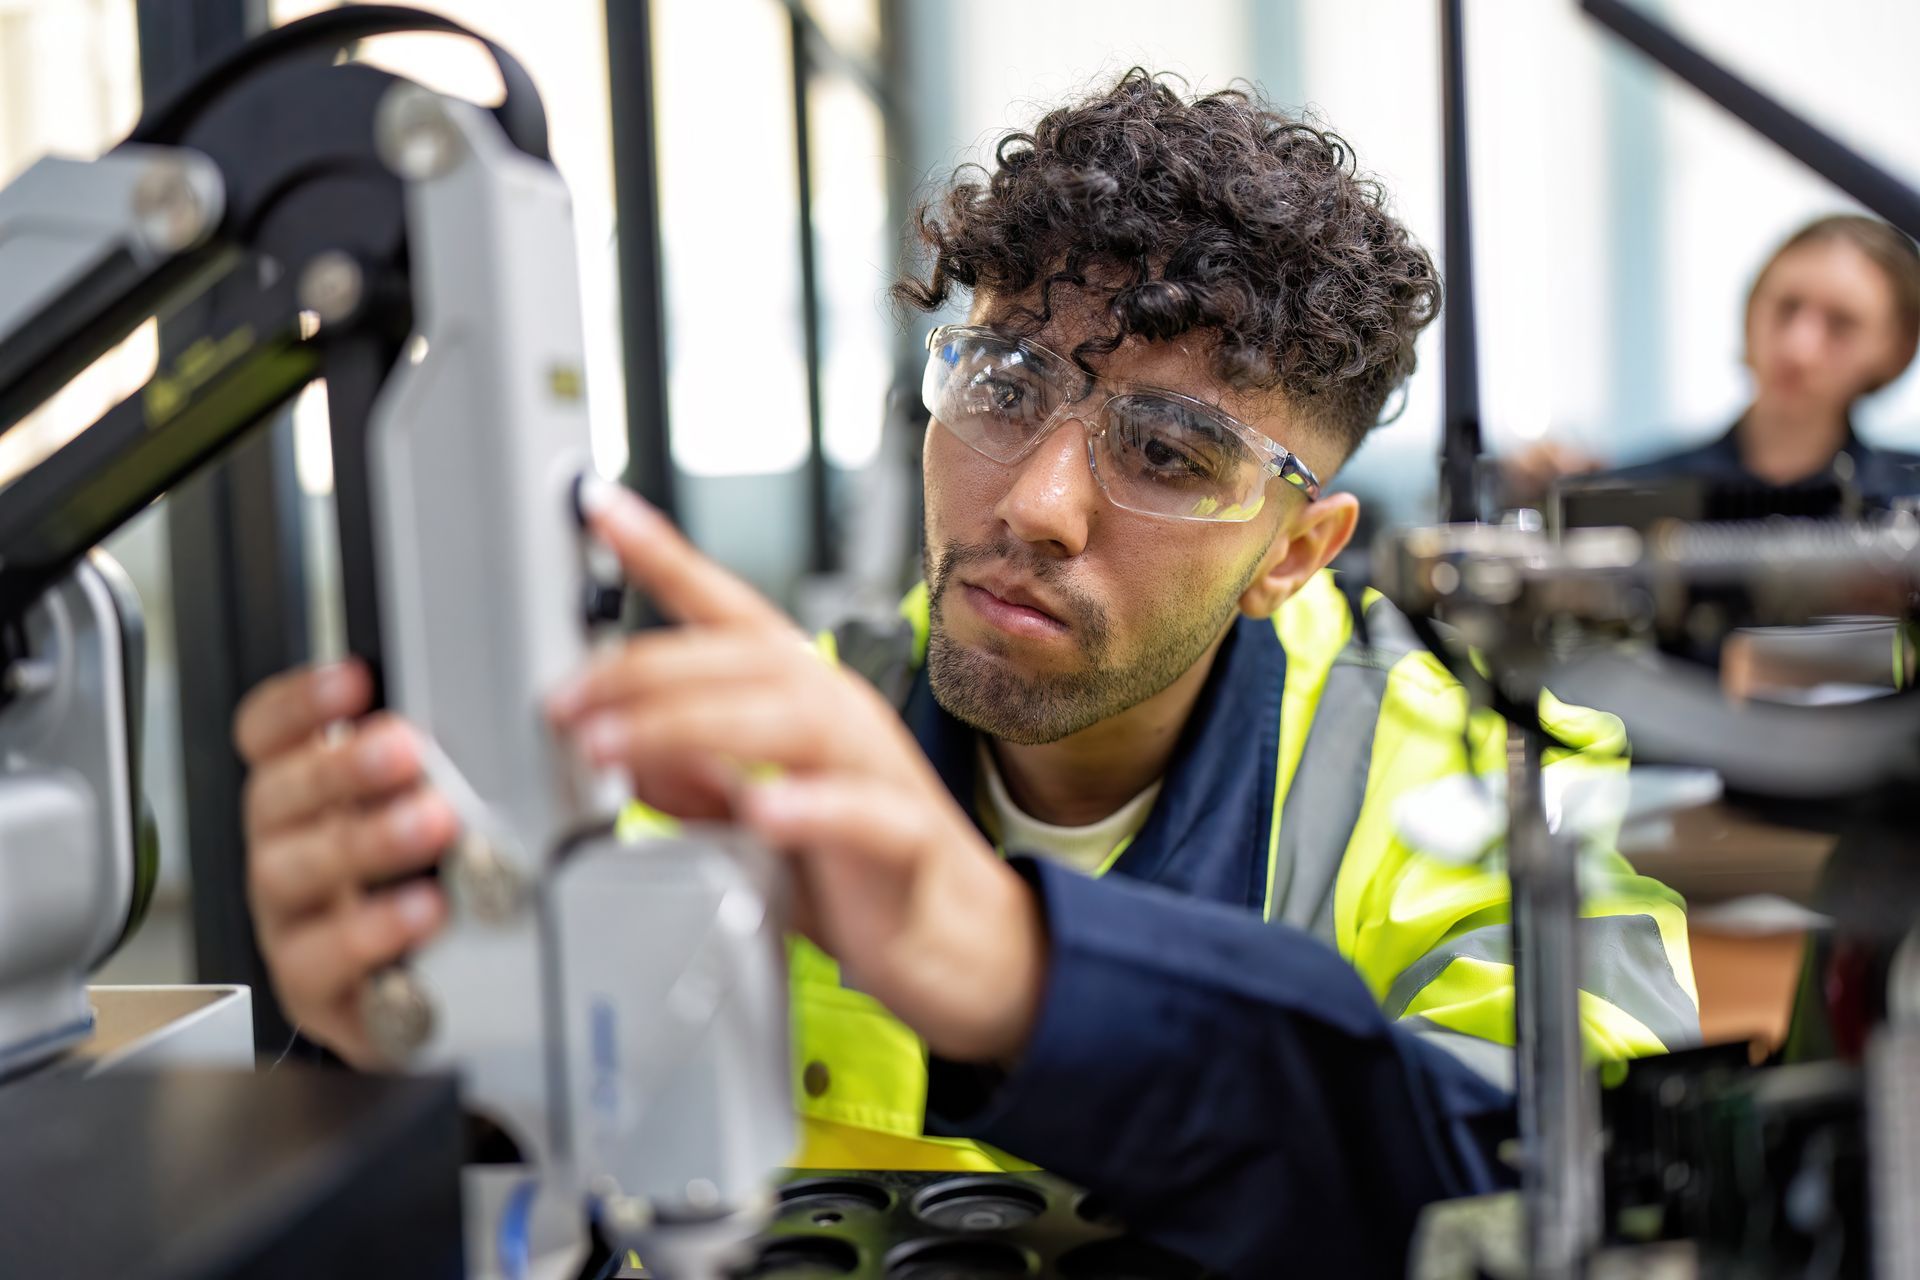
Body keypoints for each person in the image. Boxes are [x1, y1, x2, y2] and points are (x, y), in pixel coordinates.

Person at [231, 73, 1695, 1277]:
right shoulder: (735, 755)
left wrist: (1023, 969)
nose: (1037, 505)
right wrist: (386, 1071)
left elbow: (1599, 1200)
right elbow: (536, 1169)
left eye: (1170, 455)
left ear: (1295, 551)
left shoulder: (1495, 783)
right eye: (1002, 388)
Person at [1503, 214, 1920, 507]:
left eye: (1841, 324)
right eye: (1786, 308)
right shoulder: (1632, 497)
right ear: (1749, 311)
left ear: (1895, 350)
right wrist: (1521, 490)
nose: (1799, 348)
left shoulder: (1907, 501)